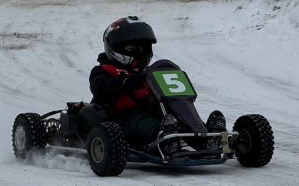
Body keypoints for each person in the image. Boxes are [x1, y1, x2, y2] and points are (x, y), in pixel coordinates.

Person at [80, 16, 226, 151]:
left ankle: (205, 137)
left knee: (179, 116)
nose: (139, 52)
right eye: (132, 49)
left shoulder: (149, 72)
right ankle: (163, 139)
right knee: (140, 121)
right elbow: (99, 87)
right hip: (121, 117)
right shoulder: (103, 70)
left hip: (156, 112)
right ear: (115, 48)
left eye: (142, 48)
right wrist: (124, 82)